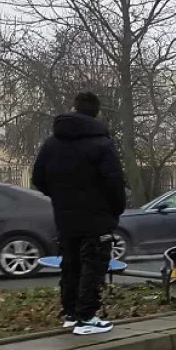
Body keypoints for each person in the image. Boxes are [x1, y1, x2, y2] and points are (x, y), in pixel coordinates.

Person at [31, 92, 126, 335]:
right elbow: (114, 183)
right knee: (93, 266)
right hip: (97, 217)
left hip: (65, 216)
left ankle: (71, 314)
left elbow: (38, 179)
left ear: (73, 109)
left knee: (70, 265)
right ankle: (87, 317)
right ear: (96, 113)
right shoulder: (102, 144)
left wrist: (62, 197)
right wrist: (115, 209)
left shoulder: (52, 143)